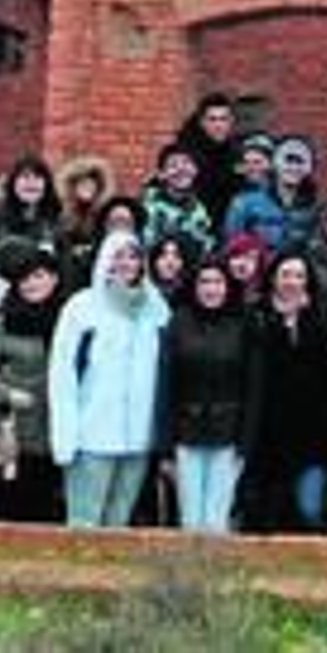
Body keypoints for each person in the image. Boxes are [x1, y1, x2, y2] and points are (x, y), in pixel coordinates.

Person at [48, 230, 171, 527]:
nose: (126, 263)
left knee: (119, 523)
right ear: (105, 260)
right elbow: (63, 373)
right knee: (84, 524)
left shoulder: (157, 309)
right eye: (118, 256)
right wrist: (66, 435)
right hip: (92, 436)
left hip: (138, 438)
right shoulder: (82, 307)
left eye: (133, 256)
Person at [242, 251, 327, 532]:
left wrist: (303, 323)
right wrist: (283, 324)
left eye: (299, 276)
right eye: (286, 275)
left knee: (308, 510)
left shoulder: (325, 314)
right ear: (273, 279)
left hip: (313, 436)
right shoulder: (256, 314)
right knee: (266, 515)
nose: (292, 282)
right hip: (267, 435)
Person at [165, 253, 264, 534]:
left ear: (228, 286)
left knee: (216, 519)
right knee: (190, 518)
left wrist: (246, 441)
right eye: (204, 282)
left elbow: (254, 387)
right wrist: (166, 444)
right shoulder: (179, 321)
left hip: (228, 434)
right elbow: (168, 384)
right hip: (186, 432)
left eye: (218, 282)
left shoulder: (244, 322)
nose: (211, 289)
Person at [0, 247, 64, 522]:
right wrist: (8, 395)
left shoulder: (69, 321)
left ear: (54, 278)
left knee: (46, 515)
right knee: (7, 511)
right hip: (9, 432)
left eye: (38, 276)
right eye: (24, 278)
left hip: (55, 435)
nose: (31, 284)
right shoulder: (1, 324)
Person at [0, 154, 62, 276]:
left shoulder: (55, 220)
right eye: (25, 177)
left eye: (38, 177)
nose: (31, 183)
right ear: (13, 182)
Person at [172, 92, 242, 229]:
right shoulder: (185, 153)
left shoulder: (238, 153)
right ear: (202, 122)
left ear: (231, 122)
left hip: (230, 226)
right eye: (212, 119)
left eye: (223, 119)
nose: (218, 125)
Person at [140, 146, 213, 261]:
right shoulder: (148, 206)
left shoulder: (200, 210)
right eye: (173, 165)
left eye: (186, 163)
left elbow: (205, 244)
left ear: (195, 170)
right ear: (161, 174)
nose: (181, 169)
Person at [55, 155, 113, 289]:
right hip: (69, 280)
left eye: (90, 184)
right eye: (82, 184)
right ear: (73, 187)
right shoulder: (63, 217)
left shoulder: (104, 216)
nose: (87, 188)